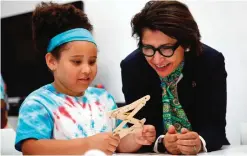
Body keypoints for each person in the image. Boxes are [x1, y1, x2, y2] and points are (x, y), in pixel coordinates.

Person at [15, 2, 156, 155]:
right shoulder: (39, 103)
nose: (87, 69)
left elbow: (119, 143)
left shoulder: (104, 99)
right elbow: (31, 149)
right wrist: (88, 144)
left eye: (92, 61)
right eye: (76, 62)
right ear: (52, 61)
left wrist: (135, 138)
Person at [120, 0, 229, 154]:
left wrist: (199, 142)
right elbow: (138, 129)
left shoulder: (209, 62)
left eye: (166, 48)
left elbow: (215, 127)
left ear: (186, 43)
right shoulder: (132, 67)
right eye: (148, 48)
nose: (157, 60)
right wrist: (161, 142)